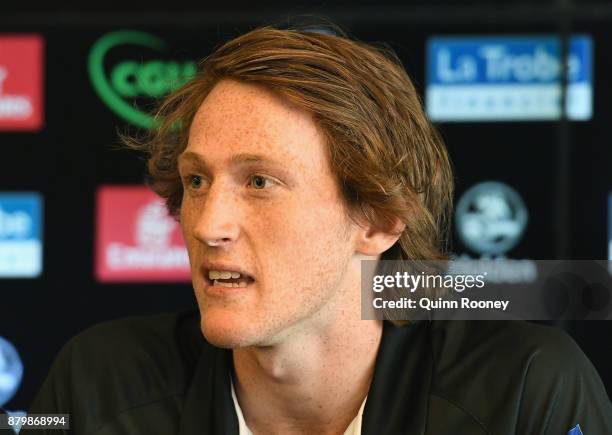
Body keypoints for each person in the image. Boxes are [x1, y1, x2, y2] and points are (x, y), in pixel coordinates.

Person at [24, 25, 612, 435]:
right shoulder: (96, 384)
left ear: (379, 220)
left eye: (259, 182)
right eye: (196, 181)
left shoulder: (528, 390)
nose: (208, 224)